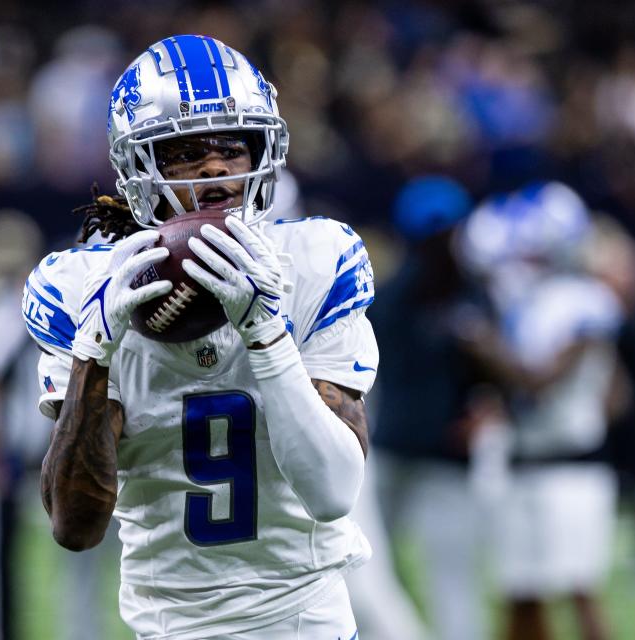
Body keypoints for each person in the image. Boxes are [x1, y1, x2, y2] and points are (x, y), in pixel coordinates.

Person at [22, 35, 377, 639]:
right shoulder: (83, 286)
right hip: (167, 627)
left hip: (304, 622)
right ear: (139, 168)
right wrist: (92, 353)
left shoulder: (315, 262)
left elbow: (333, 491)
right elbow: (75, 528)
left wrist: (266, 331)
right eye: (186, 152)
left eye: (233, 146)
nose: (216, 167)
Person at [458, 182, 623, 640]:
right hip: (520, 464)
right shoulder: (520, 304)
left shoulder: (579, 300)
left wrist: (486, 348)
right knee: (519, 595)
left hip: (570, 467)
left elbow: (542, 382)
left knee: (580, 590)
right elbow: (617, 394)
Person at [365, 176, 502, 640]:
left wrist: (486, 407)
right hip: (401, 449)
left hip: (437, 454)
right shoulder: (397, 299)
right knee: (367, 571)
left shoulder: (468, 292)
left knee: (450, 581)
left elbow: (490, 380)